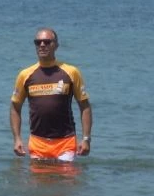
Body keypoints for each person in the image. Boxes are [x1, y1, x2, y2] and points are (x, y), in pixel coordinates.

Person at [10, 28, 92, 166]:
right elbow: (15, 107)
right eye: (38, 42)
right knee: (39, 185)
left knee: (66, 185)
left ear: (56, 45)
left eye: (47, 42)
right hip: (38, 143)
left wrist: (86, 139)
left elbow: (85, 106)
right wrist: (17, 138)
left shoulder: (71, 72)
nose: (42, 45)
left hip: (65, 142)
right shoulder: (25, 75)